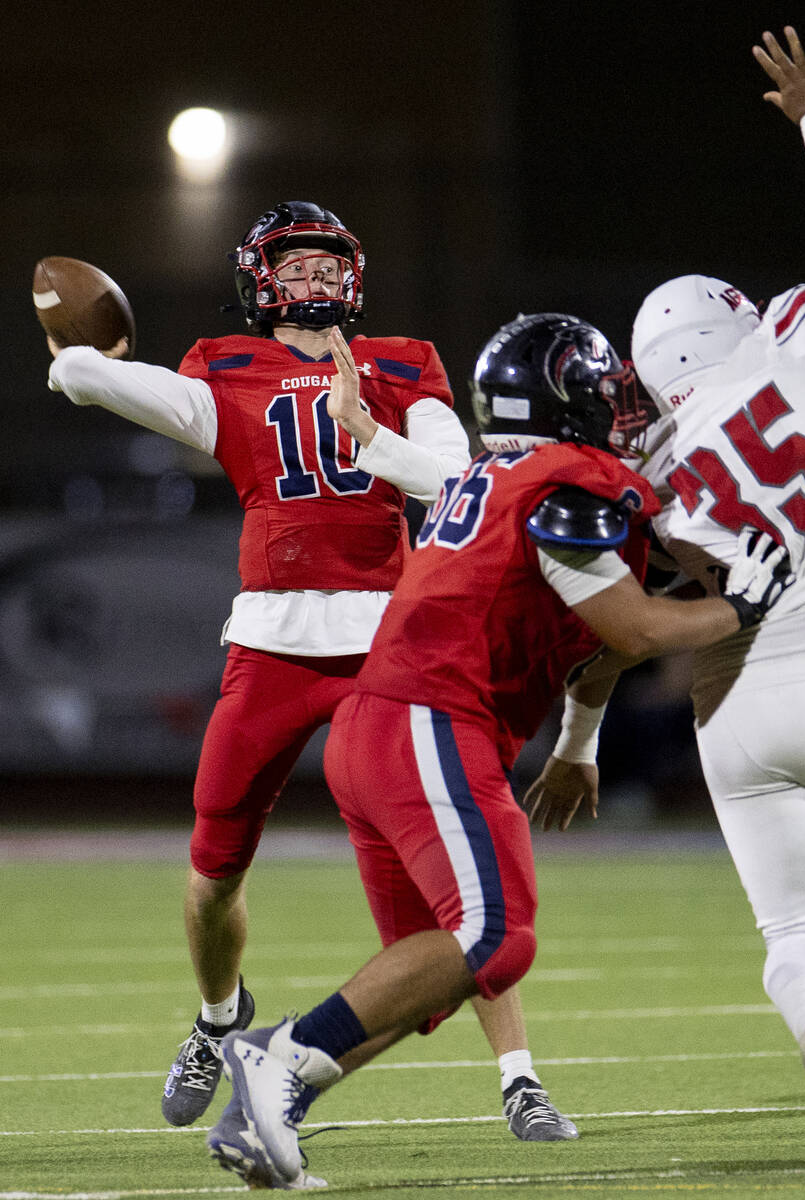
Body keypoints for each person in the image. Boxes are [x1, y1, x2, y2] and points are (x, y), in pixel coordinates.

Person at [202, 310, 796, 1189]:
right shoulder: (564, 486)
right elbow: (634, 624)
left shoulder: (498, 474)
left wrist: (576, 745)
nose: (619, 405)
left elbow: (598, 641)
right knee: (495, 939)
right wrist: (745, 604)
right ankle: (278, 1061)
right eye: (602, 389)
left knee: (433, 976)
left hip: (382, 729)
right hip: (430, 722)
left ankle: (272, 1107)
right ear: (566, 398)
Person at [45, 201, 577, 1142]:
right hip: (271, 640)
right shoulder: (224, 365)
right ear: (258, 280)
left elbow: (452, 485)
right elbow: (94, 383)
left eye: (331, 264)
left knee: (463, 862)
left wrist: (367, 432)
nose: (317, 279)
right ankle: (220, 1020)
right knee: (212, 867)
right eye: (296, 264)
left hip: (392, 638)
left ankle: (520, 1076)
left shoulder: (406, 361)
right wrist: (82, 349)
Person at [531, 28, 805, 1173]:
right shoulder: (799, 355)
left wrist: (578, 744)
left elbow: (609, 633)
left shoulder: (648, 473)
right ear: (734, 323)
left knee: (797, 931)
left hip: (736, 716)